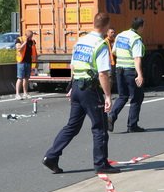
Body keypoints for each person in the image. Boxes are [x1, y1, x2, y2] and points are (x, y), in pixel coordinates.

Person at [42, 13, 120, 175]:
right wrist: (107, 96)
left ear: (94, 23)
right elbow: (103, 74)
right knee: (100, 127)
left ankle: (51, 155)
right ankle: (101, 164)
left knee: (72, 126)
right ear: (106, 26)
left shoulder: (81, 41)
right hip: (91, 90)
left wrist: (72, 86)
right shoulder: (101, 44)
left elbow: (74, 66)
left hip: (77, 85)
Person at [108, 17, 146, 133]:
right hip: (130, 71)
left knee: (122, 96)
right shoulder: (136, 39)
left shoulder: (120, 35)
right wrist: (140, 74)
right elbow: (137, 58)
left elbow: (114, 51)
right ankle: (132, 125)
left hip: (119, 70)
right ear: (140, 27)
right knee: (137, 97)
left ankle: (111, 116)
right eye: (143, 27)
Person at [14, 30, 37, 99]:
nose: (31, 38)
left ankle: (25, 93)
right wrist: (25, 43)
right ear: (26, 36)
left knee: (26, 78)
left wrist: (35, 62)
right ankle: (17, 94)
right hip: (21, 62)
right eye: (30, 37)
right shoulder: (19, 40)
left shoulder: (32, 41)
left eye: (31, 37)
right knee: (20, 78)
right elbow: (19, 49)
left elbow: (34, 52)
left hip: (28, 62)